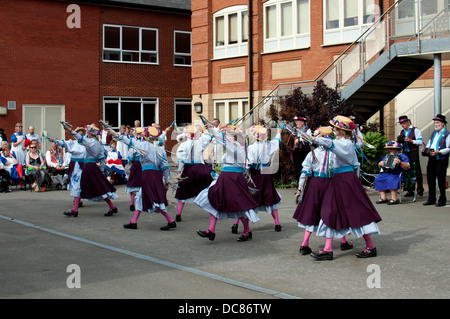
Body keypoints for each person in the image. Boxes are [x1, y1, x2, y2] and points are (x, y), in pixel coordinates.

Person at [310, 116, 382, 260]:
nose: (333, 129)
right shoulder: (342, 142)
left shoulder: (345, 144)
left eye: (336, 128)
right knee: (330, 210)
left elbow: (328, 144)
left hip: (346, 181)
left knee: (356, 212)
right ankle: (328, 249)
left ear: (342, 131)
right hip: (340, 179)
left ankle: (370, 246)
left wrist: (313, 138)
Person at [292, 127, 354, 255]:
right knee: (335, 212)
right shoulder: (335, 152)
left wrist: (300, 190)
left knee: (312, 212)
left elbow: (305, 173)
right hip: (332, 183)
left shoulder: (312, 153)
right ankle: (342, 241)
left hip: (316, 184)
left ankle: (304, 244)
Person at [195, 123, 259, 242]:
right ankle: (211, 231)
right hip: (225, 177)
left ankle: (247, 231)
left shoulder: (236, 147)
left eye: (229, 134)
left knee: (239, 205)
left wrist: (213, 129)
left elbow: (221, 140)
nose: (227, 136)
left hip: (233, 178)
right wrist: (213, 129)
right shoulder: (232, 146)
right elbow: (221, 141)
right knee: (214, 199)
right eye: (227, 134)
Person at [109, 126, 175, 231]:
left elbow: (128, 142)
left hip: (147, 175)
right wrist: (166, 181)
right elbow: (165, 167)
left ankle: (170, 220)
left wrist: (115, 134)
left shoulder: (142, 145)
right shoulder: (159, 148)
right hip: (157, 175)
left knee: (153, 199)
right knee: (140, 197)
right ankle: (134, 221)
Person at [63, 123, 118, 217]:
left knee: (78, 186)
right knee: (99, 187)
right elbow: (101, 158)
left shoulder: (90, 142)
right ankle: (112, 207)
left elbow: (79, 138)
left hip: (88, 166)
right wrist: (101, 169)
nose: (86, 135)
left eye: (87, 133)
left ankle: (75, 209)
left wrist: (70, 130)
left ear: (89, 133)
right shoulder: (98, 144)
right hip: (93, 167)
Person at [240, 125, 282, 232]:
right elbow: (277, 140)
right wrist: (279, 132)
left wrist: (244, 176)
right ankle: (277, 223)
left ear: (255, 136)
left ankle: (238, 224)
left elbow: (249, 164)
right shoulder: (270, 145)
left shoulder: (251, 148)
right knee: (270, 195)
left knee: (249, 197)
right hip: (266, 171)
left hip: (255, 172)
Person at [175, 125, 213, 222]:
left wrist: (179, 171)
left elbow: (181, 160)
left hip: (188, 169)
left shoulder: (183, 144)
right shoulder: (200, 142)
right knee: (208, 189)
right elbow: (209, 137)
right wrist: (207, 129)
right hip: (200, 169)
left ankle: (178, 214)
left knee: (182, 191)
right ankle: (212, 211)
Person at [53, 127, 87, 217]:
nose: (79, 136)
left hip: (84, 165)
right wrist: (56, 141)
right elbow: (64, 143)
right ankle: (76, 205)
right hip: (74, 165)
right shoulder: (72, 143)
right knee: (75, 184)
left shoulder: (87, 143)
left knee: (99, 186)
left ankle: (112, 205)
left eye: (81, 134)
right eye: (78, 134)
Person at [422, 114, 450, 207]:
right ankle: (431, 198)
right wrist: (426, 149)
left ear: (442, 124)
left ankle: (442, 199)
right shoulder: (434, 133)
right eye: (435, 122)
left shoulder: (447, 134)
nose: (435, 124)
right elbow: (430, 143)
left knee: (441, 180)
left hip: (441, 159)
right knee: (430, 179)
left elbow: (449, 148)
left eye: (437, 122)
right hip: (432, 158)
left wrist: (439, 152)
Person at [374, 141, 410, 205]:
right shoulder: (387, 156)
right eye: (389, 148)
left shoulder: (402, 156)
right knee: (378, 178)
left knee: (391, 179)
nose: (389, 150)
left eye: (391, 148)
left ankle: (394, 198)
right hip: (386, 173)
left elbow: (407, 166)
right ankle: (383, 198)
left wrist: (400, 163)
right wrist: (380, 164)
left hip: (397, 173)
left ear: (397, 149)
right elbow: (381, 166)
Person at [397, 115, 424, 197]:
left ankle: (420, 188)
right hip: (405, 152)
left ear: (408, 122)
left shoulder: (415, 130)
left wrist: (411, 140)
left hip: (413, 152)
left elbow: (420, 142)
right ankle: (410, 190)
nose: (402, 125)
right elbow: (400, 143)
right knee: (407, 170)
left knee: (416, 169)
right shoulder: (401, 132)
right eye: (401, 123)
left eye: (403, 123)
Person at [291, 115, 312, 180]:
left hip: (304, 152)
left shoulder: (307, 130)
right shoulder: (295, 130)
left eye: (298, 122)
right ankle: (299, 186)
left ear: (302, 123)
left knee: (305, 168)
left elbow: (309, 138)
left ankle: (306, 185)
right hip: (296, 152)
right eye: (296, 122)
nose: (296, 123)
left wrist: (300, 140)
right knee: (297, 168)